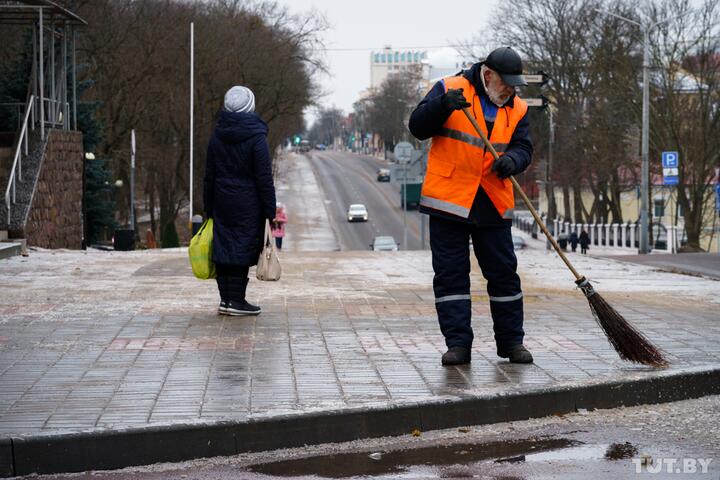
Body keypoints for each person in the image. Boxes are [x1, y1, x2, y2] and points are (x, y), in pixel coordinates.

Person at [409, 47, 534, 365]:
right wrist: (441, 107)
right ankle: (458, 345)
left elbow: (524, 147)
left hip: (493, 202)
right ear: (488, 75)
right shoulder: (448, 89)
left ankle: (511, 343)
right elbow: (418, 128)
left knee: (504, 275)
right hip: (449, 202)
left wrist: (512, 161)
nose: (511, 89)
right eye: (506, 82)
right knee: (451, 277)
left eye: (514, 84)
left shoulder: (517, 108)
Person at [204, 85, 276, 316]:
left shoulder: (217, 136)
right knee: (242, 248)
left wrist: (209, 207)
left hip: (222, 201)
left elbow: (209, 176)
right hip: (247, 204)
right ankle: (237, 301)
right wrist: (269, 210)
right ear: (251, 106)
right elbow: (264, 178)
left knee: (224, 248)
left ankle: (226, 300)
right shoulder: (256, 139)